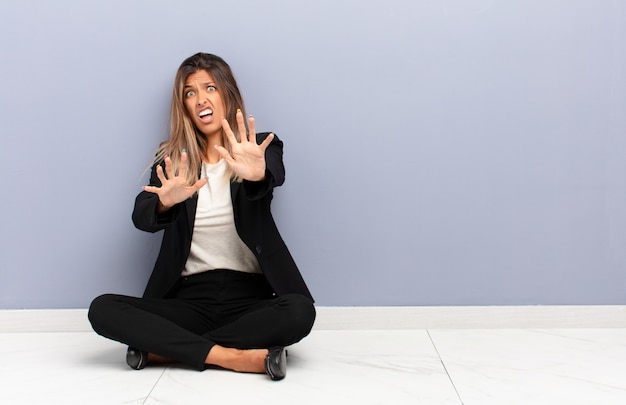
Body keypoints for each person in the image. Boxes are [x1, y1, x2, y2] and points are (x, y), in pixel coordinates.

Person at [88, 52, 315, 381]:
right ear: (184, 106)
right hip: (188, 302)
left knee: (299, 312)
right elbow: (143, 216)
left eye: (209, 87)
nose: (200, 99)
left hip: (249, 300)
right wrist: (165, 203)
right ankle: (233, 357)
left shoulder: (256, 146)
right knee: (102, 309)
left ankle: (164, 350)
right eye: (189, 93)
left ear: (227, 93)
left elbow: (272, 173)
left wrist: (256, 173)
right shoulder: (173, 163)